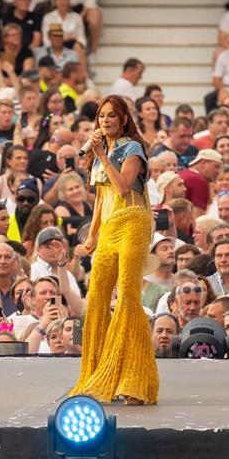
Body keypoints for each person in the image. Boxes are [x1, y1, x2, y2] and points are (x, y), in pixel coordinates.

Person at [71, 95, 158, 405]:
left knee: (128, 298)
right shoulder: (100, 155)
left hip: (133, 221)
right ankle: (96, 376)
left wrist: (103, 156)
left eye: (111, 116)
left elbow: (123, 187)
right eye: (101, 116)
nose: (105, 121)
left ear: (123, 120)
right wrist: (92, 235)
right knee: (95, 298)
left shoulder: (132, 148)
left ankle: (135, 381)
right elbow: (101, 199)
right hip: (108, 227)